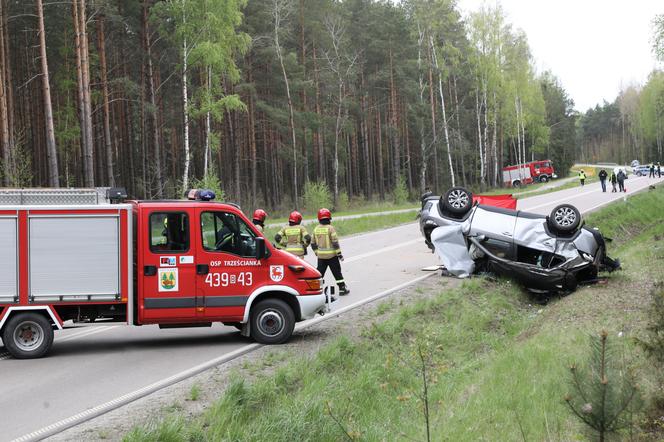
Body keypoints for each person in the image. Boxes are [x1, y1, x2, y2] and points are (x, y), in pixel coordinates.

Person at [311, 208, 350, 295]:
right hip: (332, 256)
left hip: (321, 257)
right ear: (329, 219)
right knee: (337, 273)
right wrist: (339, 254)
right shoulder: (330, 228)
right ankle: (342, 289)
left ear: (319, 219)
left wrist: (317, 252)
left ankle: (315, 291)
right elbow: (335, 242)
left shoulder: (316, 229)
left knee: (319, 275)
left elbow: (312, 243)